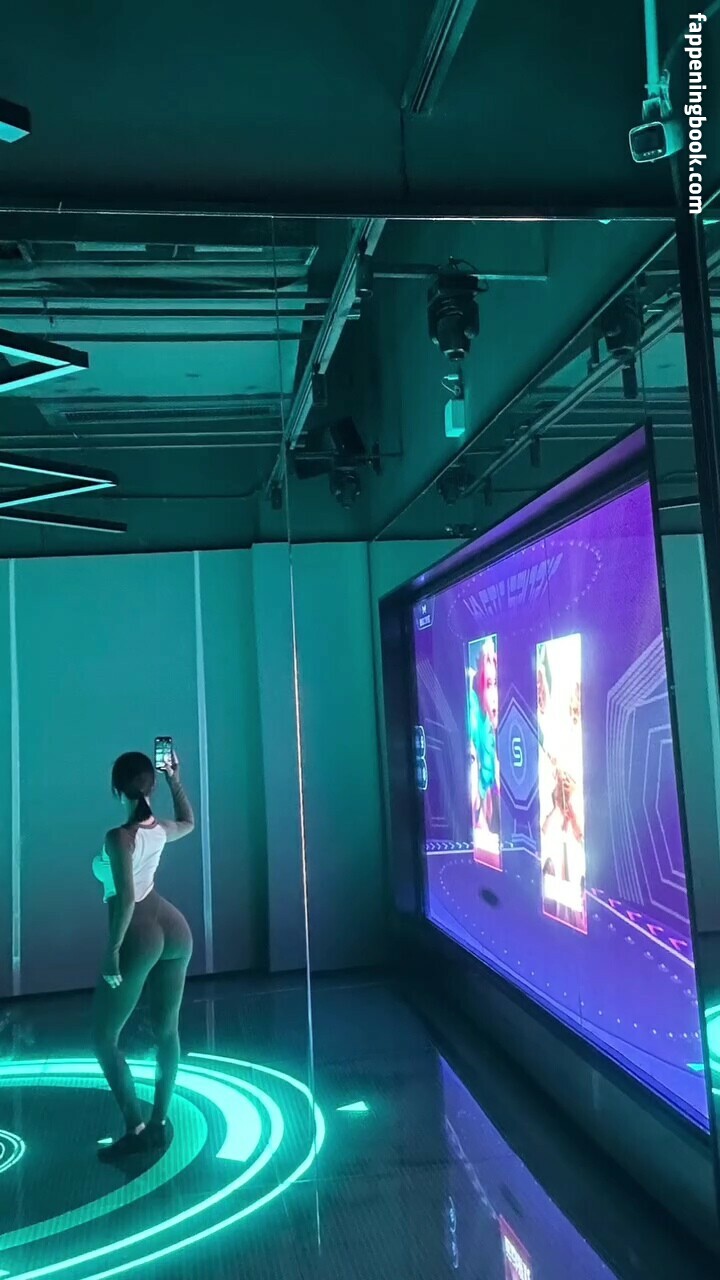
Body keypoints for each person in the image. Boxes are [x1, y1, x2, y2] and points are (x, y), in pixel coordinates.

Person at [91, 748, 194, 1159]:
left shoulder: (119, 837)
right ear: (150, 787)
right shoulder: (159, 829)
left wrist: (113, 951)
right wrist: (175, 779)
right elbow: (189, 822)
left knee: (103, 1038)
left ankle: (135, 1129)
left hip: (140, 934)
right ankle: (158, 1124)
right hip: (174, 928)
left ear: (117, 790)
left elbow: (126, 899)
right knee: (167, 1031)